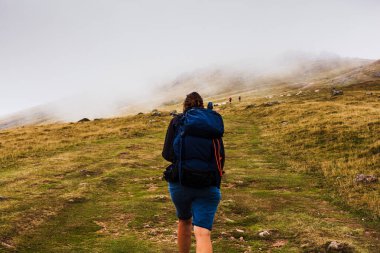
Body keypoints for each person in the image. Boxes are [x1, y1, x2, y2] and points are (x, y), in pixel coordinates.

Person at [162, 92, 225, 253]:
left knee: (184, 220)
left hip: (181, 183)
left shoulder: (177, 121)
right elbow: (220, 156)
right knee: (203, 233)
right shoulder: (211, 124)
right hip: (208, 184)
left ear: (185, 105)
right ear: (202, 105)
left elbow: (167, 154)